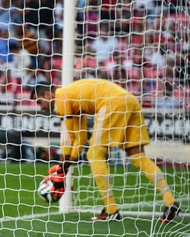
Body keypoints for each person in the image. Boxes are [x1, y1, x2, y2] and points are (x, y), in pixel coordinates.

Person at [34, 78, 181, 223]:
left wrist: (61, 168)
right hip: (129, 100)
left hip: (112, 103)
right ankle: (170, 202)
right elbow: (81, 137)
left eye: (39, 101)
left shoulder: (61, 98)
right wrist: (65, 167)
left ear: (47, 95)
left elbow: (68, 139)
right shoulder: (73, 98)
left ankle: (111, 210)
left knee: (94, 154)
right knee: (138, 157)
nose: (40, 107)